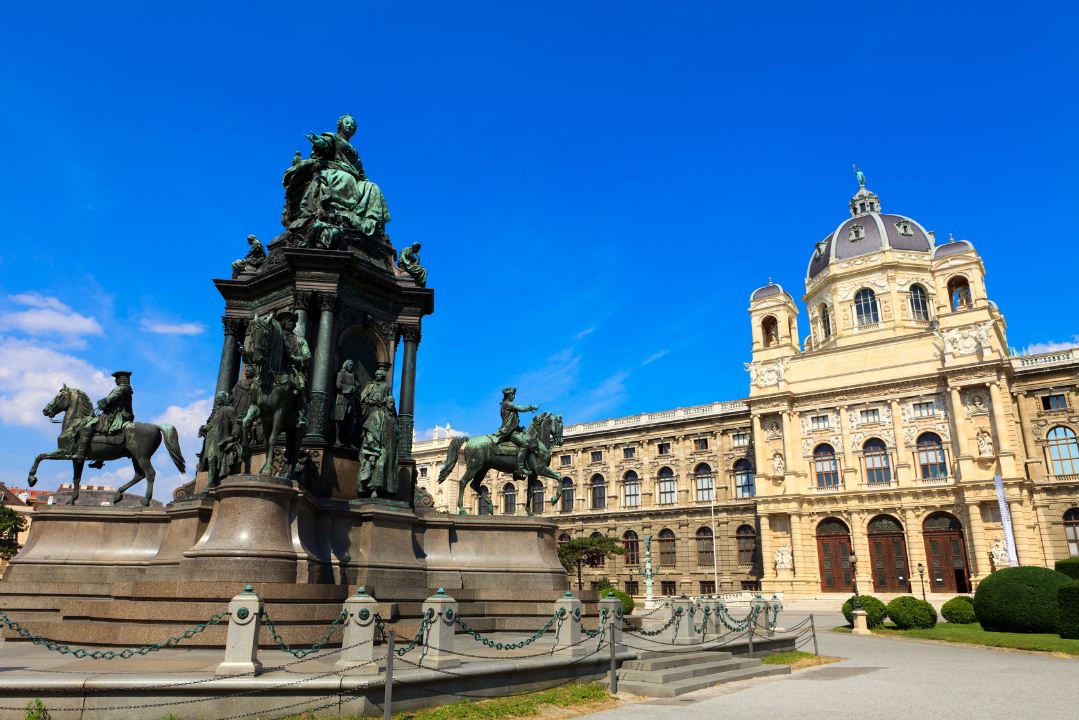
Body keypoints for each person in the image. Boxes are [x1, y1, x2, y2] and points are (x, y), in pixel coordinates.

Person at [72, 370, 135, 466]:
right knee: (100, 432)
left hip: (113, 416)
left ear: (121, 379)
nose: (115, 381)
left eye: (117, 379)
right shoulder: (128, 390)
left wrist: (102, 402)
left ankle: (81, 454)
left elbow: (110, 400)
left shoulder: (119, 389)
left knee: (87, 428)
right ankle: (99, 460)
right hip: (122, 415)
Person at [357, 368, 398, 494]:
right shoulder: (371, 386)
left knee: (386, 461)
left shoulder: (386, 387)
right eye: (377, 373)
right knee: (379, 460)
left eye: (392, 403)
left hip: (386, 445)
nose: (391, 405)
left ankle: (385, 488)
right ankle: (372, 487)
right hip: (375, 441)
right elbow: (363, 398)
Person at [493, 387, 540, 479]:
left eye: (514, 395)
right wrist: (532, 407)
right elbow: (521, 408)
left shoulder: (507, 405)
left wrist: (519, 428)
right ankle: (520, 468)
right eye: (512, 395)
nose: (514, 396)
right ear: (508, 395)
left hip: (513, 430)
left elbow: (511, 421)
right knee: (525, 444)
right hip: (509, 432)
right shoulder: (507, 404)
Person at [198, 391, 241, 489]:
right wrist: (204, 428)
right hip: (211, 440)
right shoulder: (216, 411)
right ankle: (211, 482)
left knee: (212, 459)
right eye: (216, 398)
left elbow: (236, 423)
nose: (216, 400)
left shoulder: (229, 410)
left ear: (223, 398)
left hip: (221, 439)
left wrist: (233, 436)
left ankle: (211, 483)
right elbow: (211, 425)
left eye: (218, 398)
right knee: (210, 459)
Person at [277, 310, 311, 429]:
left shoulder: (300, 340)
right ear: (283, 322)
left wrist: (295, 359)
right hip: (276, 369)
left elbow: (307, 356)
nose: (293, 323)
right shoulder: (276, 338)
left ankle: (302, 414)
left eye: (293, 321)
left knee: (300, 384)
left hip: (293, 370)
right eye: (289, 321)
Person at [334, 359, 359, 446]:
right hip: (342, 399)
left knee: (353, 421)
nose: (351, 367)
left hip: (351, 401)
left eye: (352, 365)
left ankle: (349, 441)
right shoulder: (341, 373)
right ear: (346, 365)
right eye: (349, 365)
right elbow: (338, 385)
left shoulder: (353, 375)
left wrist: (356, 386)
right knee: (339, 420)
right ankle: (337, 439)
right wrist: (350, 388)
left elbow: (356, 385)